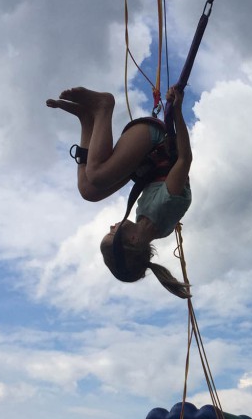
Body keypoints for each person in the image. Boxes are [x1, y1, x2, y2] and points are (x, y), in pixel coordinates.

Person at [46, 86, 193, 298]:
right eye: (113, 232)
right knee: (96, 175)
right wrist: (176, 111)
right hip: (154, 140)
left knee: (88, 191)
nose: (112, 225)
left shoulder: (150, 223)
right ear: (133, 239)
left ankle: (87, 120)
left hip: (146, 159)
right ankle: (103, 107)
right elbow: (184, 160)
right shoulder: (164, 208)